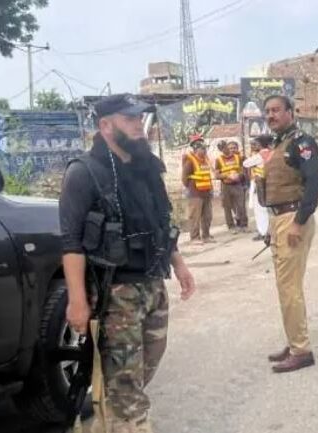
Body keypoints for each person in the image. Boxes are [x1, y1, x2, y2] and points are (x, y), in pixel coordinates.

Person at [60, 94, 196, 432]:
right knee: (127, 388)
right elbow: (71, 243)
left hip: (152, 283)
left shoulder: (146, 167)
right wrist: (77, 301)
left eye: (139, 118)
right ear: (105, 125)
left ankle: (108, 420)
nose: (139, 125)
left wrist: (179, 264)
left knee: (144, 366)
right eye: (129, 119)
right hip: (116, 292)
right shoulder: (84, 173)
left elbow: (161, 223)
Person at [258, 95, 318, 373]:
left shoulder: (301, 142)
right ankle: (294, 340)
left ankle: (301, 350)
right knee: (286, 287)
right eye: (267, 111)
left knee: (289, 288)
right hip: (279, 219)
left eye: (276, 110)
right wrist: (272, 228)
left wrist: (298, 222)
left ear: (290, 113)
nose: (270, 115)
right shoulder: (278, 143)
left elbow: (314, 182)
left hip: (293, 218)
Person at [183, 135, 214, 245]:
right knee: (195, 216)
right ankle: (195, 237)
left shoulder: (206, 160)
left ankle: (206, 235)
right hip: (195, 193)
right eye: (202, 149)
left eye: (205, 148)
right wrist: (191, 188)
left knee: (207, 216)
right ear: (196, 149)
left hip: (206, 192)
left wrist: (211, 189)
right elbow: (184, 178)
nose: (205, 151)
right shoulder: (190, 160)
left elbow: (208, 175)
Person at [215, 140, 249, 234]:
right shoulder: (218, 160)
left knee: (241, 205)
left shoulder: (238, 157)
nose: (224, 149)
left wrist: (238, 175)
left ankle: (244, 225)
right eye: (221, 148)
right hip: (226, 185)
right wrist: (227, 176)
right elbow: (217, 175)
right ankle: (231, 226)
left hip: (237, 184)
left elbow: (243, 171)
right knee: (227, 207)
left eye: (225, 147)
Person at [244, 135, 273, 241]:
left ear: (261, 144)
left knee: (260, 209)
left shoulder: (261, 154)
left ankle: (263, 232)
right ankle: (268, 231)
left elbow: (246, 163)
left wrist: (251, 154)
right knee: (267, 209)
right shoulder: (271, 152)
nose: (254, 146)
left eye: (256, 144)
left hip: (260, 183)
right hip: (268, 182)